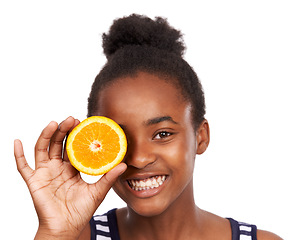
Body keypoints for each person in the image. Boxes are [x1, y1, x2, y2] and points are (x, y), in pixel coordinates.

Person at [14, 14, 282, 240]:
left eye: (162, 134)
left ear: (201, 136)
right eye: (122, 139)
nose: (139, 159)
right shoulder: (73, 237)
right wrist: (54, 233)